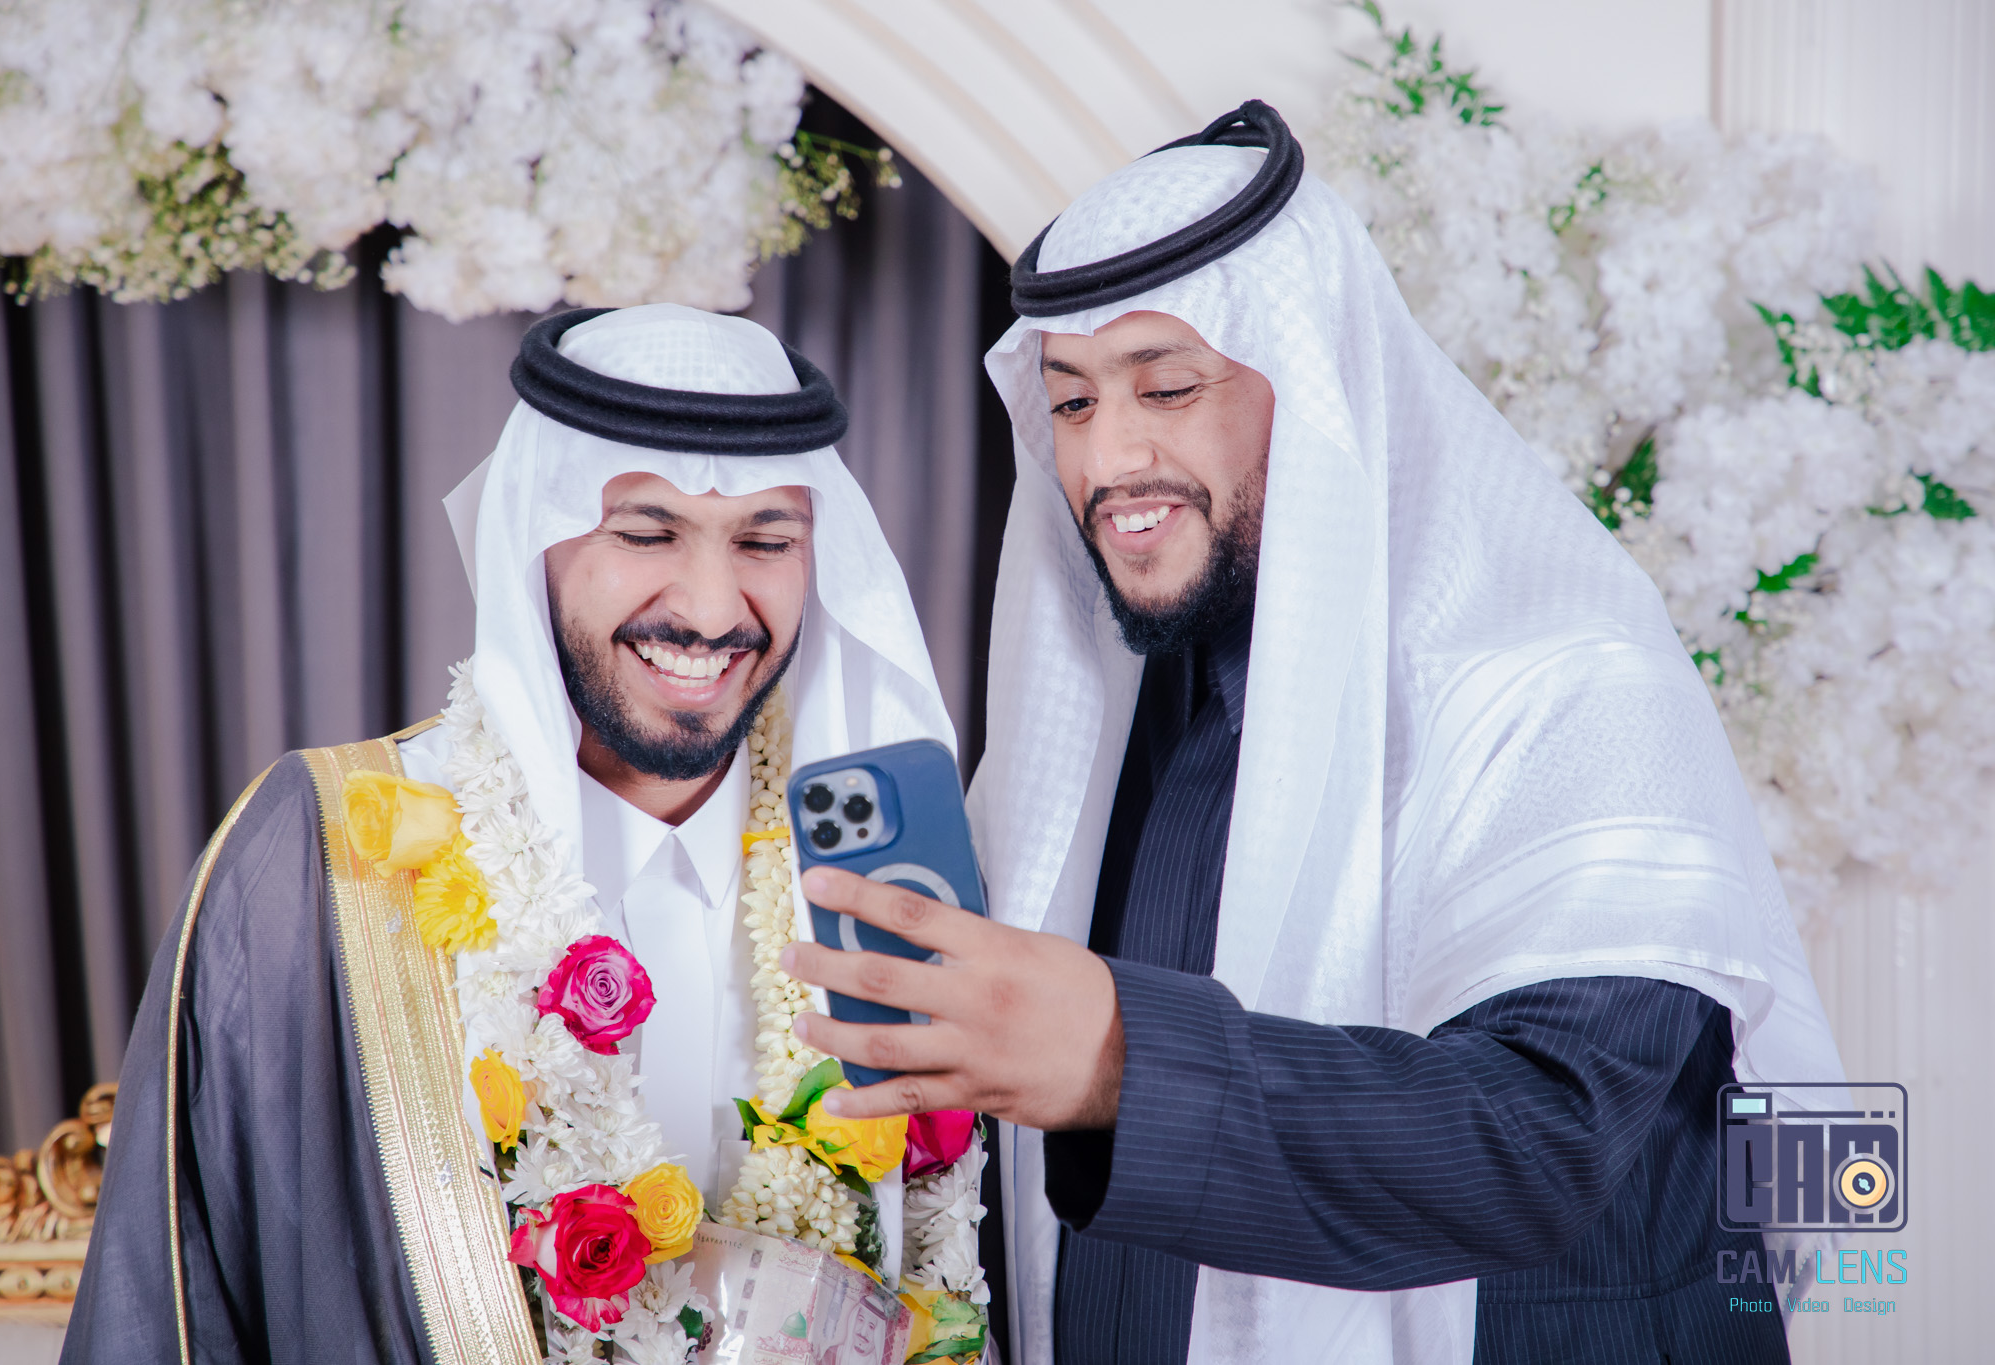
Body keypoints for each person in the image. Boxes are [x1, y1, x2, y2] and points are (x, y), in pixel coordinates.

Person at [782, 102, 1847, 1365]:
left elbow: (1540, 1140)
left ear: (1318, 381)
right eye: (1069, 403)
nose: (1106, 457)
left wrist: (1119, 1059)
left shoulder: (1563, 685)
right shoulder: (1109, 725)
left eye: (1166, 387)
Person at [64, 305, 966, 1363]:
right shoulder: (320, 859)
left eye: (766, 541)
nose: (712, 609)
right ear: (534, 538)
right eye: (645, 533)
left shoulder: (886, 884)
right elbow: (174, 1307)